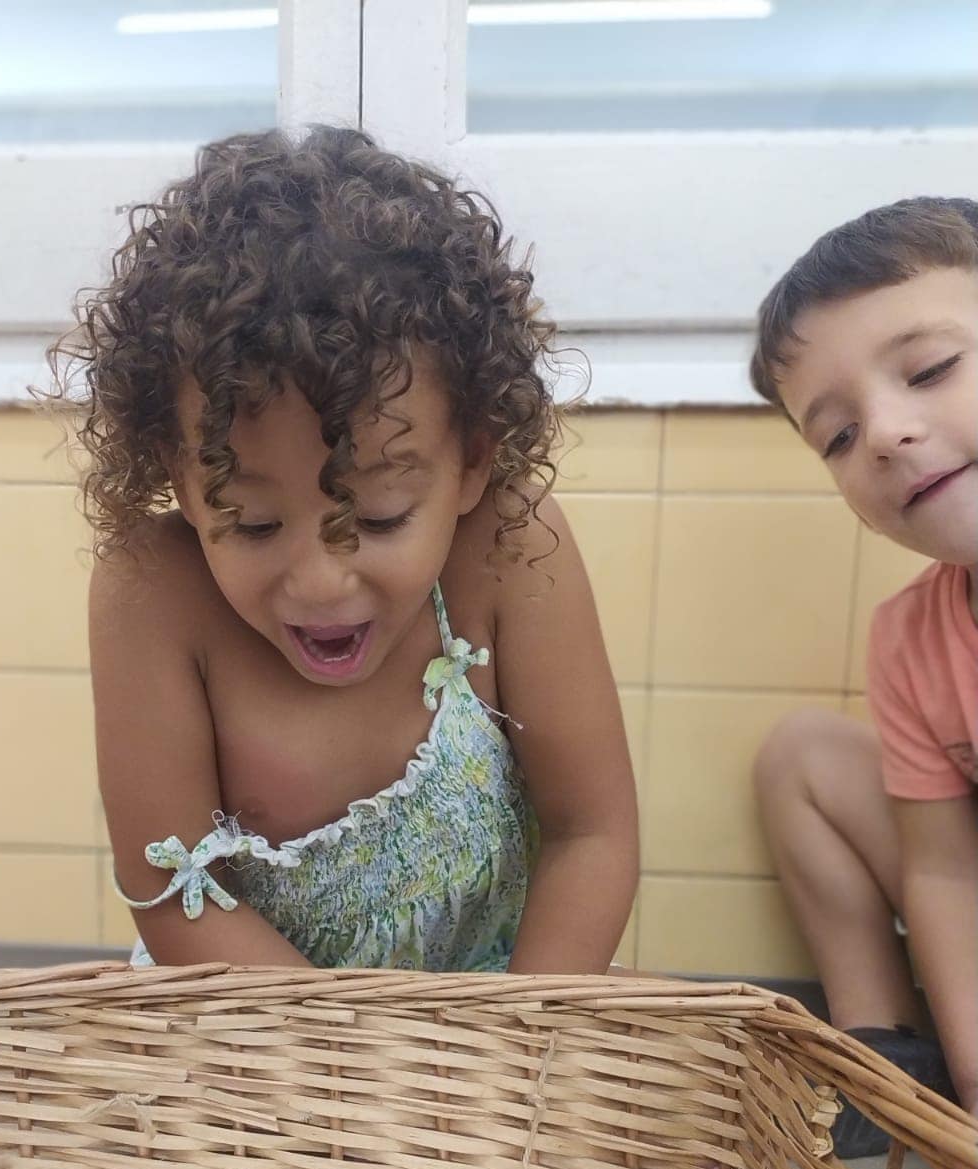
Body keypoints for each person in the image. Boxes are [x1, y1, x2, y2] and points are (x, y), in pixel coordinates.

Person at [53, 126, 638, 979]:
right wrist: (342, 1059)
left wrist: (512, 1042)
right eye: (255, 524)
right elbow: (170, 890)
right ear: (181, 478)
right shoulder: (154, 592)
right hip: (248, 1024)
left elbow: (592, 834)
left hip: (494, 1027)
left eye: (383, 516)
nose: (322, 582)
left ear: (473, 460)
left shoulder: (510, 546)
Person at [749, 196, 978, 1169]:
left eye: (930, 370)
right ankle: (886, 1059)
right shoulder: (913, 636)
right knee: (801, 754)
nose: (885, 434)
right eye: (837, 436)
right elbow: (946, 874)